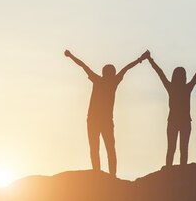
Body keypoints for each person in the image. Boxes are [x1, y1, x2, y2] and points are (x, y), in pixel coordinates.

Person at [64, 49, 149, 177]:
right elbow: (126, 68)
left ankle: (104, 173)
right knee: (106, 148)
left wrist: (70, 56)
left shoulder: (100, 80)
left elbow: (83, 66)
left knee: (100, 148)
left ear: (105, 73)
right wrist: (139, 59)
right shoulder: (111, 81)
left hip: (97, 120)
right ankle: (106, 174)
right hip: (99, 120)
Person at [146, 52, 196, 167]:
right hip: (179, 122)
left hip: (180, 122)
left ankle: (175, 170)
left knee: (176, 148)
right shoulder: (183, 88)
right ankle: (174, 171)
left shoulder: (176, 87)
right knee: (178, 148)